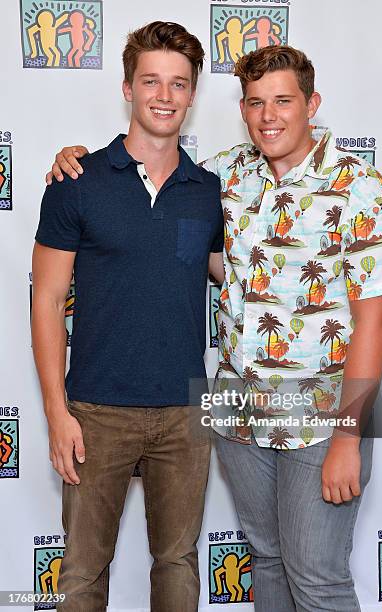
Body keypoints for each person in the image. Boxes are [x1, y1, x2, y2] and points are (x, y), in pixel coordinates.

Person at [46, 44, 382, 611]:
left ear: (312, 104)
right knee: (265, 558)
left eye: (283, 101)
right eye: (256, 102)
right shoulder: (225, 176)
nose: (269, 115)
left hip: (322, 413)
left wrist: (349, 437)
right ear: (241, 108)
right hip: (239, 412)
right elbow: (156, 177)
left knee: (316, 578)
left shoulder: (361, 189)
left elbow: (377, 320)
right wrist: (74, 160)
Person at [32, 21, 224, 612]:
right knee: (83, 576)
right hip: (95, 412)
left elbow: (237, 274)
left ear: (192, 96)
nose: (164, 96)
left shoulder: (210, 190)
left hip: (186, 411)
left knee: (177, 565)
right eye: (151, 82)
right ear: (127, 87)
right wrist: (55, 412)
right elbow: (45, 300)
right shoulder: (77, 182)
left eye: (178, 84)